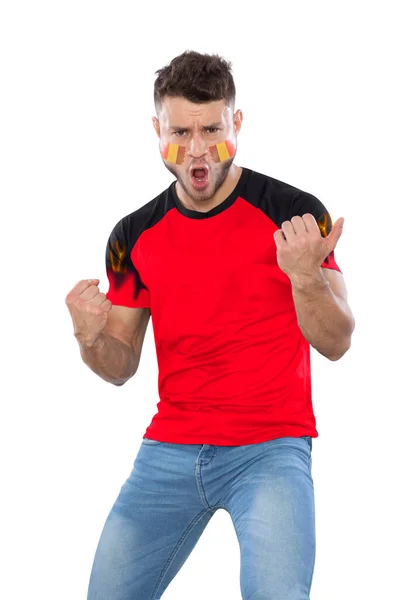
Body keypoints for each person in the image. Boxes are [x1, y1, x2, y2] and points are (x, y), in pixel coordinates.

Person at [65, 50, 355, 600]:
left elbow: (338, 341)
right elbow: (120, 364)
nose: (196, 149)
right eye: (180, 131)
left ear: (236, 125)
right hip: (170, 447)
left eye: (210, 129)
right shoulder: (132, 235)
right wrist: (89, 338)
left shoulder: (294, 214)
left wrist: (304, 277)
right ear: (157, 130)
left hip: (270, 446)